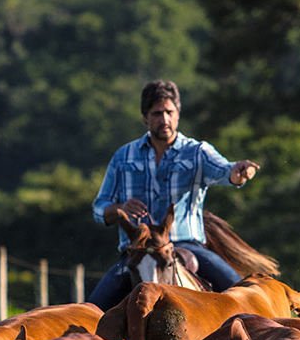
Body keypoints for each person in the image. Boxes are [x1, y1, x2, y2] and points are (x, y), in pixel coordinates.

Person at [88, 80, 260, 310]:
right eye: (157, 113)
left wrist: (238, 172)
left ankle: (265, 331)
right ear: (145, 118)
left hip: (187, 245)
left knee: (242, 295)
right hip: (137, 252)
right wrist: (118, 209)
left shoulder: (197, 152)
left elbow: (225, 170)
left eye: (169, 112)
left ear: (178, 114)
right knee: (92, 311)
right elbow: (100, 208)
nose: (164, 119)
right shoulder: (123, 157)